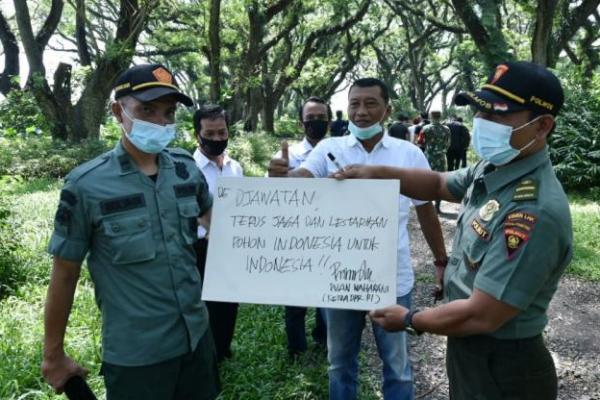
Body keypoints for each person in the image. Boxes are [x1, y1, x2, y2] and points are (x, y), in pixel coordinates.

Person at [335, 61, 571, 400]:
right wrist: (374, 172)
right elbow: (438, 183)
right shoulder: (495, 167)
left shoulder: (533, 210)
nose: (482, 123)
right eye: (480, 112)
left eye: (498, 115)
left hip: (504, 363)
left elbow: (483, 314)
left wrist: (411, 318)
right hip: (472, 351)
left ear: (542, 125)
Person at [41, 64, 219, 400]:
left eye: (168, 113)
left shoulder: (185, 168)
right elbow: (64, 272)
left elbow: (210, 214)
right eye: (146, 110)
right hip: (139, 358)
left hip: (197, 339)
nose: (159, 122)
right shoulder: (86, 185)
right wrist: (53, 355)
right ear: (117, 111)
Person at [269, 78, 448, 400]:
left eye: (370, 103)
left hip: (392, 281)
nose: (362, 112)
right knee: (339, 364)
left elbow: (426, 213)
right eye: (355, 104)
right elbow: (302, 179)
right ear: (346, 108)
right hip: (338, 279)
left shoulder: (409, 154)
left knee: (397, 367)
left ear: (387, 109)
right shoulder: (328, 149)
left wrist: (440, 261)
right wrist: (281, 176)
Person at [273, 96, 330, 357]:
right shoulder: (288, 156)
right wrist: (277, 176)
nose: (316, 123)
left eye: (321, 118)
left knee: (327, 293)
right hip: (295, 238)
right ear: (301, 123)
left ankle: (323, 338)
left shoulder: (339, 153)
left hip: (331, 236)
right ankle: (296, 347)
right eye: (311, 119)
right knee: (294, 297)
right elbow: (271, 195)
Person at [193, 104, 243, 363]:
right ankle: (205, 358)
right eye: (210, 134)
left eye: (222, 133)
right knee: (203, 306)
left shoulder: (235, 167)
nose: (217, 139)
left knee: (229, 302)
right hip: (201, 248)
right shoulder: (189, 170)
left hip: (232, 247)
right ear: (197, 135)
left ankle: (222, 350)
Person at [422, 110, 450, 212]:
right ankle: (437, 207)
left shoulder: (426, 128)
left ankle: (427, 206)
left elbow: (420, 142)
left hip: (429, 157)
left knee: (426, 181)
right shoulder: (446, 129)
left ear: (430, 116)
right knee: (440, 181)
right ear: (440, 116)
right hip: (441, 158)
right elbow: (448, 144)